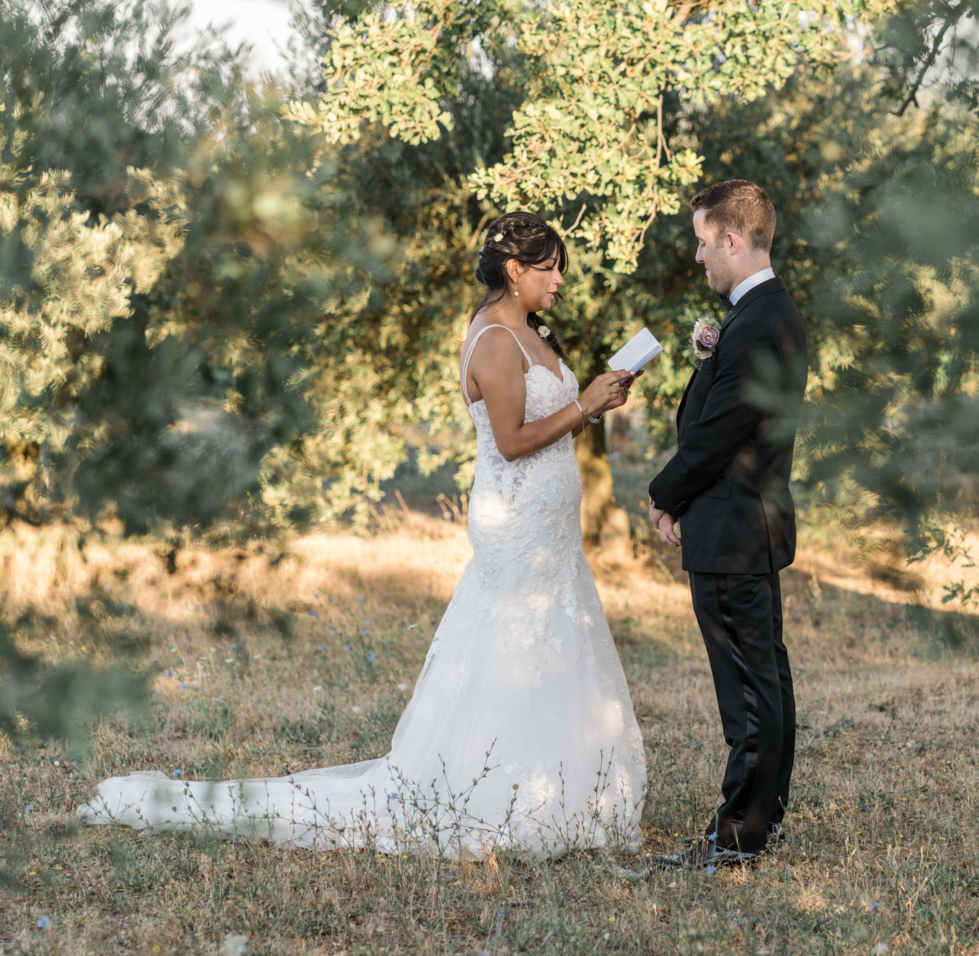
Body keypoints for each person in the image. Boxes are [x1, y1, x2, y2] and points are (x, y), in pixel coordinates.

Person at [79, 212, 648, 859]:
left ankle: (561, 791)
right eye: (549, 268)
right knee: (513, 650)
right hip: (514, 528)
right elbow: (513, 442)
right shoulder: (493, 339)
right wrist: (585, 406)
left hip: (550, 532)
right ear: (515, 270)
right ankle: (499, 795)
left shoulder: (534, 331)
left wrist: (593, 406)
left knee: (551, 650)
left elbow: (548, 427)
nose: (560, 281)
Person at [647, 180, 808, 868]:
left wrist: (663, 492)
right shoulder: (762, 315)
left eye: (703, 241)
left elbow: (715, 438)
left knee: (748, 691)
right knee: (765, 680)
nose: (697, 256)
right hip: (749, 525)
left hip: (733, 530)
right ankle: (759, 823)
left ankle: (738, 838)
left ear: (733, 241)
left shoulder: (761, 320)